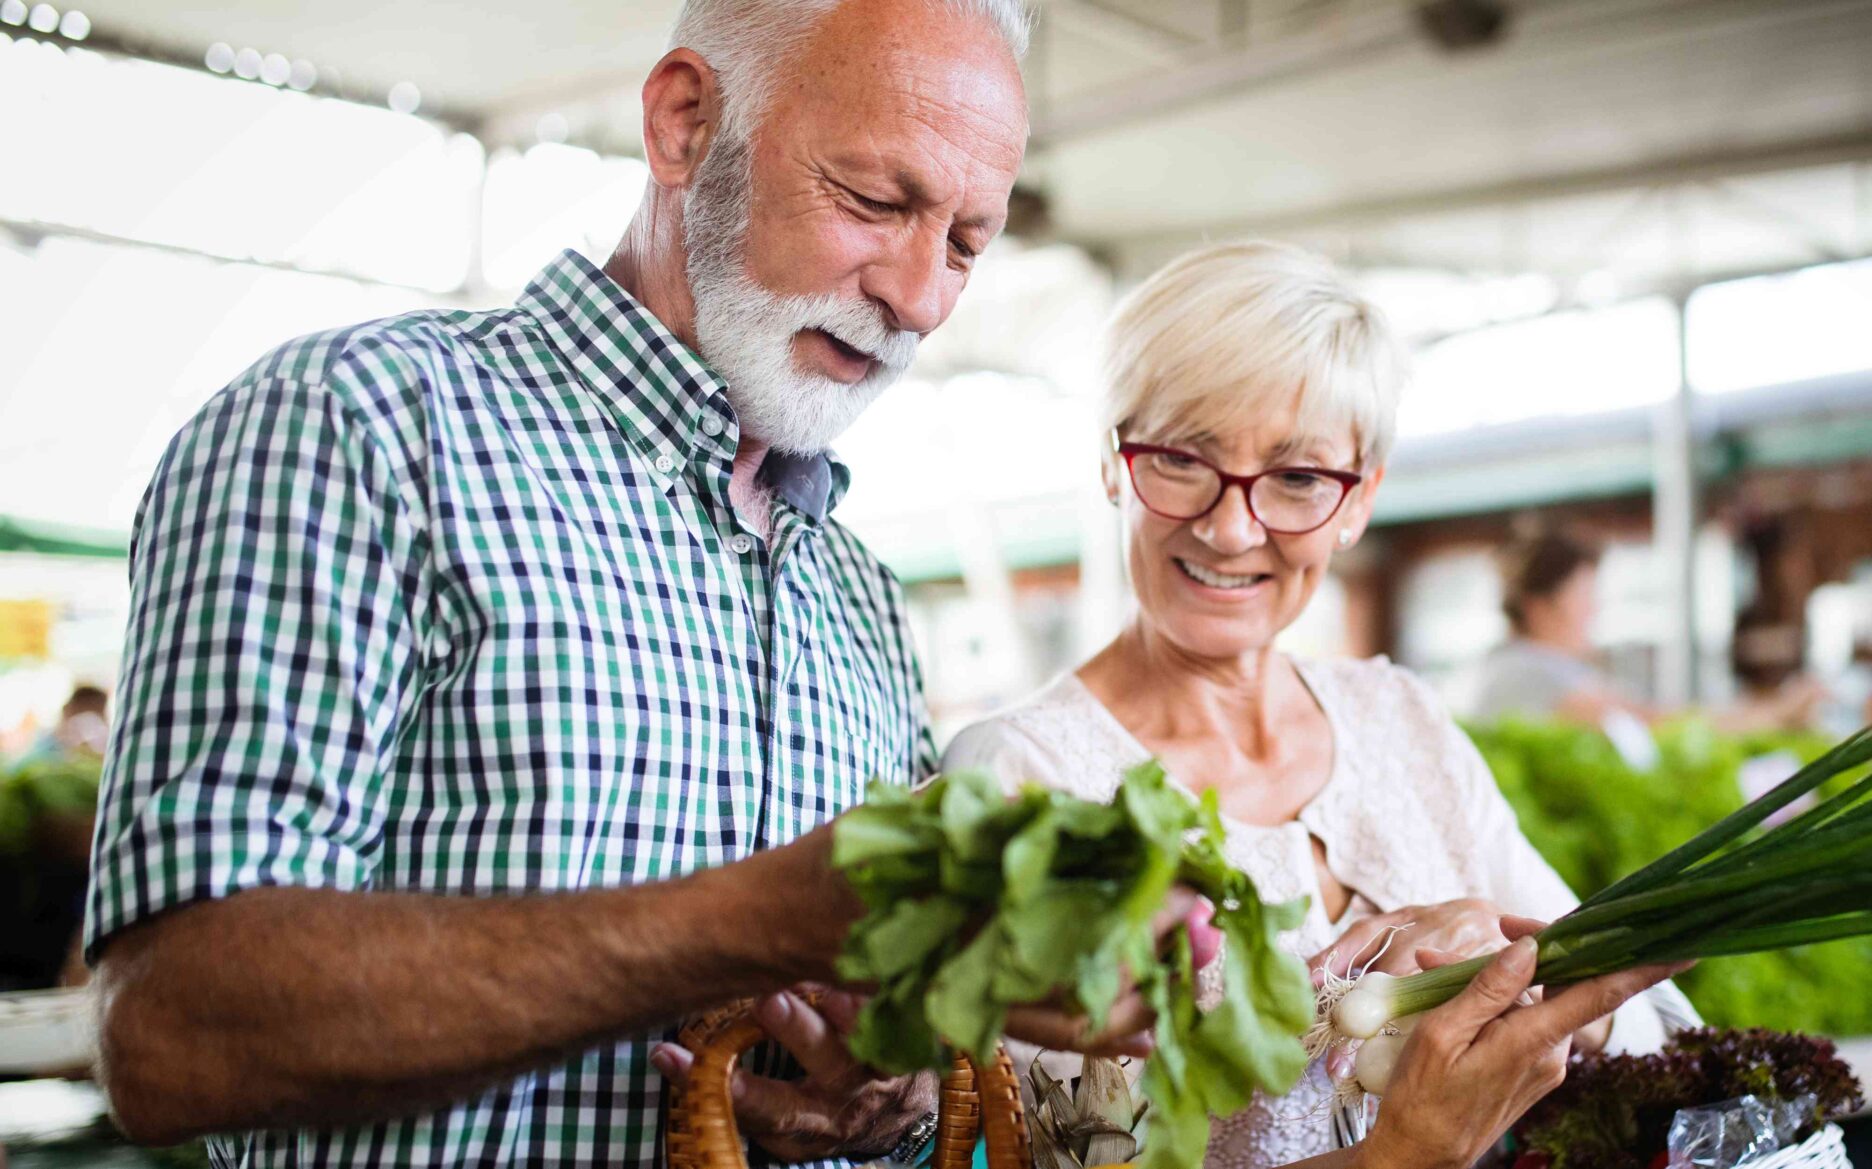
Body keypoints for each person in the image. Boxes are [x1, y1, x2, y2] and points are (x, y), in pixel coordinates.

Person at [84, 2, 1098, 1164]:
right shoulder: (359, 427)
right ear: (682, 123)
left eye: (968, 242)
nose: (920, 297)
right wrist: (754, 920)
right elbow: (174, 1028)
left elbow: (886, 1040)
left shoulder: (857, 592)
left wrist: (891, 1087)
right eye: (875, 200)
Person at [942, 242, 1697, 1169]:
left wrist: (1508, 976)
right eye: (1182, 458)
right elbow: (1076, 1161)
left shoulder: (1400, 720)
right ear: (1112, 463)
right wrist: (1399, 1155)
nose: (1230, 526)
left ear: (1359, 500)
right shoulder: (1021, 778)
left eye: (1297, 478)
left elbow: (1645, 1031)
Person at [1468, 528, 1818, 765]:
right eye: (1584, 598)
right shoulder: (1519, 672)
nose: (1595, 611)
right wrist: (1772, 713)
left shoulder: (1541, 668)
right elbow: (1652, 722)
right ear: (1538, 608)